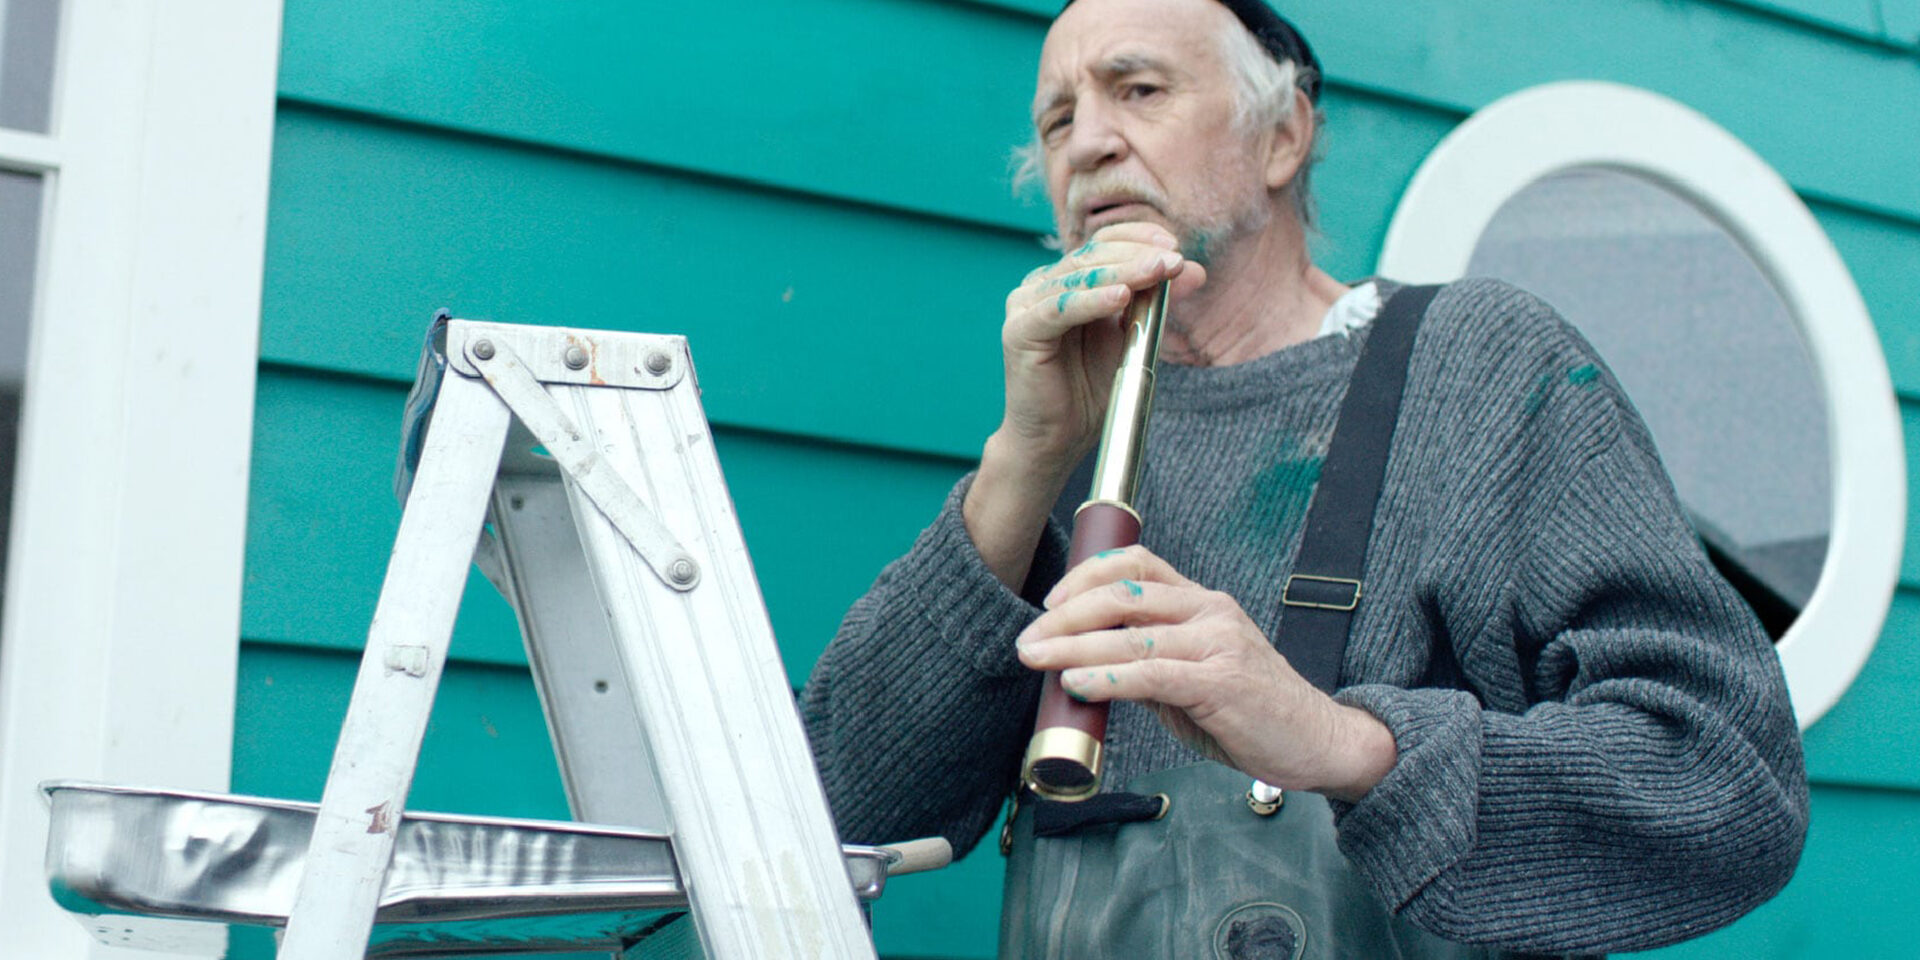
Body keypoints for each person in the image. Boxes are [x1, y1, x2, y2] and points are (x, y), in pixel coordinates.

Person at [801, 0, 1809, 955]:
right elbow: (829, 819)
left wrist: (1346, 746)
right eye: (1058, 118)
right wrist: (1022, 462)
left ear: (1282, 135)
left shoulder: (1481, 367)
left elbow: (1729, 784)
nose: (1089, 143)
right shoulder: (1061, 439)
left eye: (1138, 89)